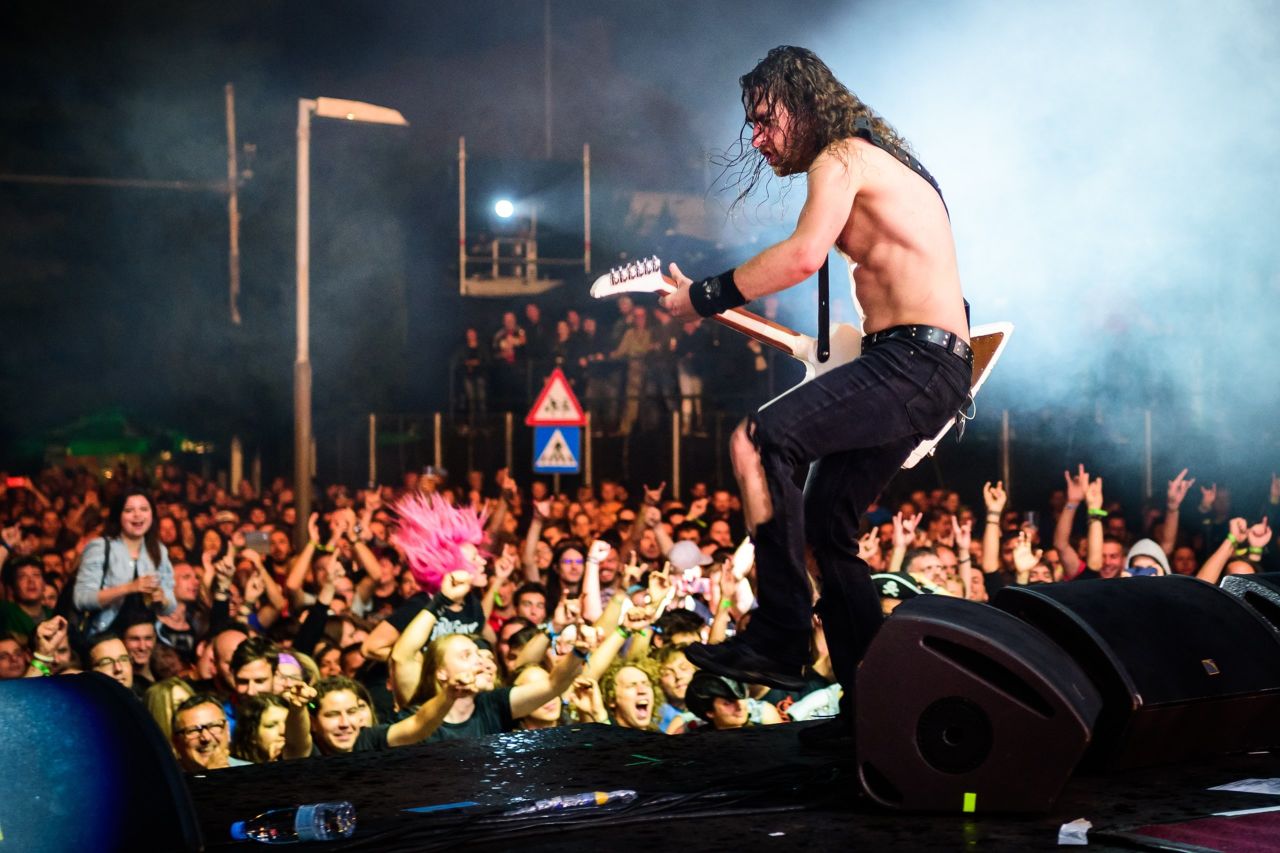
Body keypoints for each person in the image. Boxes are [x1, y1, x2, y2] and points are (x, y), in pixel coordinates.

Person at [660, 47, 972, 738]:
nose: (757, 139)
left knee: (757, 440)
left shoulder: (843, 156)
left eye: (765, 120)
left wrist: (704, 296)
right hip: (926, 363)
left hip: (915, 359)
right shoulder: (875, 160)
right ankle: (875, 714)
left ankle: (780, 630)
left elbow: (802, 256)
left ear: (804, 107)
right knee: (829, 529)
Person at [72, 489, 177, 636]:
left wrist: (163, 599)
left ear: (152, 514)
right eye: (129, 510)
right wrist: (129, 588)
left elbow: (171, 606)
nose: (137, 515)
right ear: (118, 515)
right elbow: (81, 599)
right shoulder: (100, 547)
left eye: (144, 509)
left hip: (146, 636)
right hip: (107, 633)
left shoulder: (159, 550)